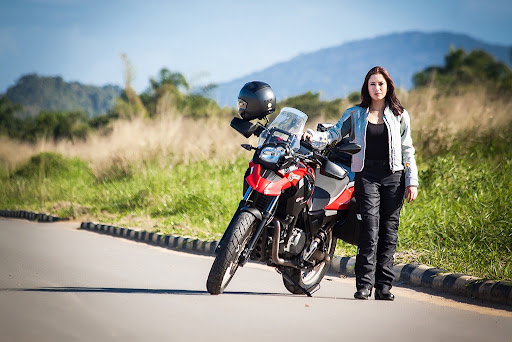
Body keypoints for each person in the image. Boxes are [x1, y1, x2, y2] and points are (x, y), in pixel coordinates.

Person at [304, 66, 418, 301]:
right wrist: (312, 137)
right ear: (366, 87)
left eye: (381, 84)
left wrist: (411, 182)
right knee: (369, 229)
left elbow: (408, 150)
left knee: (389, 233)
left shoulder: (399, 115)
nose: (378, 88)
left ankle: (384, 287)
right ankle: (364, 286)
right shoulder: (355, 114)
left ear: (388, 87)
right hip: (366, 176)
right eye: (373, 84)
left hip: (394, 178)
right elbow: (333, 134)